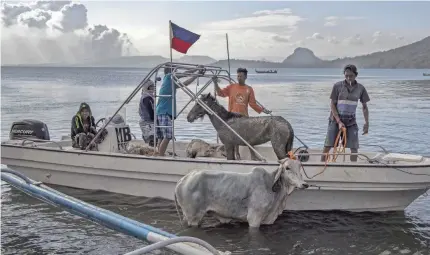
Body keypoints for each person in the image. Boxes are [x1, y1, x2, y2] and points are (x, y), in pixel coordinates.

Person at [321, 64, 370, 162]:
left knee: (354, 148)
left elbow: (364, 107)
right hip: (335, 120)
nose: (348, 78)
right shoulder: (337, 86)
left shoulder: (361, 88)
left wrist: (367, 122)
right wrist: (339, 121)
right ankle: (322, 165)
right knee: (328, 145)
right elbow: (332, 104)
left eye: (351, 76)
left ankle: (353, 168)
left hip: (351, 121)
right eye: (346, 75)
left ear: (356, 75)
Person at [156, 64, 205, 156]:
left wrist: (197, 75)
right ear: (171, 71)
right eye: (175, 71)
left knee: (161, 137)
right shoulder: (169, 76)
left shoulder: (171, 82)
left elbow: (185, 83)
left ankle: (159, 153)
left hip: (160, 112)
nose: (177, 73)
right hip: (164, 112)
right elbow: (185, 74)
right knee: (168, 136)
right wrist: (196, 69)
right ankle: (160, 155)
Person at [139, 80, 157, 147]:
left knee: (152, 139)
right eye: (152, 87)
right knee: (152, 139)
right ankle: (153, 152)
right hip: (147, 122)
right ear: (147, 87)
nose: (153, 88)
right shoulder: (147, 97)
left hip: (148, 121)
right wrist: (155, 118)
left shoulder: (148, 96)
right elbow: (150, 110)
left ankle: (153, 150)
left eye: (153, 87)